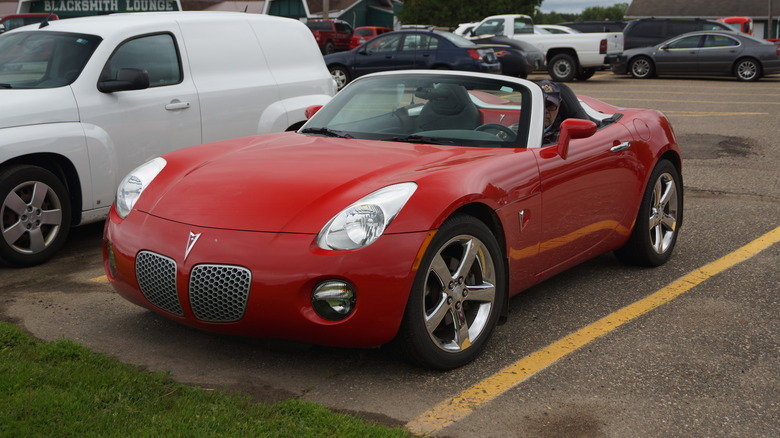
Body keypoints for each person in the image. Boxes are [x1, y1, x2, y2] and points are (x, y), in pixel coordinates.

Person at [539, 80, 562, 145]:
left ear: (558, 106)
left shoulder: (563, 137)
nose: (545, 111)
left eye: (550, 105)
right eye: (540, 105)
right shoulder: (517, 130)